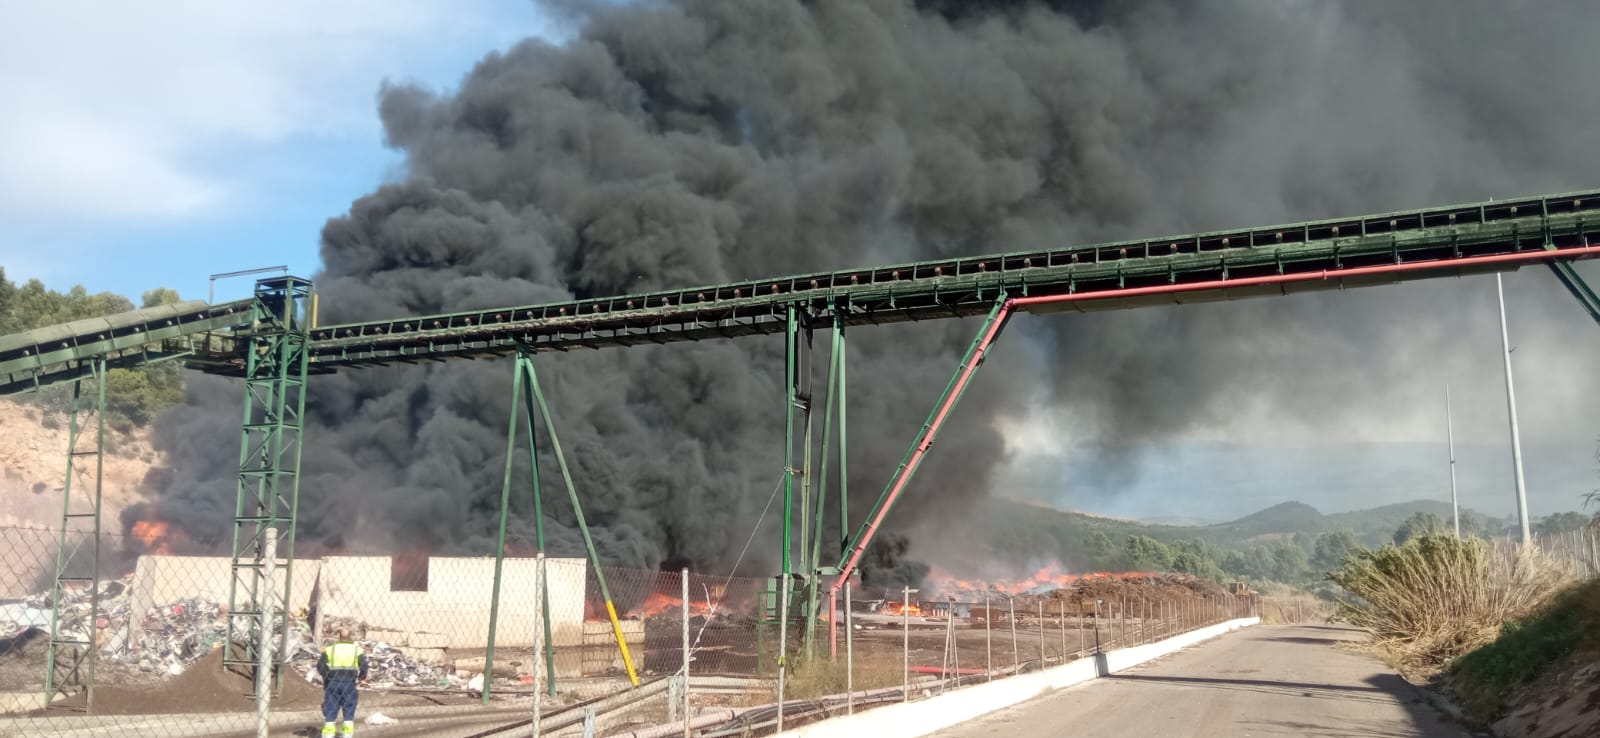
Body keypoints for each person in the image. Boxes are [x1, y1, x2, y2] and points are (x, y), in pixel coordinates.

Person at [317, 626, 369, 736]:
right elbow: (364, 665)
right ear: (351, 637)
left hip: (333, 682)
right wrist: (361, 677)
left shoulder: (330, 649)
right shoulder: (356, 650)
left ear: (339, 637)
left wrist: (327, 676)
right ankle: (347, 735)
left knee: (331, 707)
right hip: (349, 683)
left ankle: (328, 735)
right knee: (349, 708)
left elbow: (320, 665)